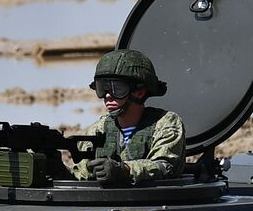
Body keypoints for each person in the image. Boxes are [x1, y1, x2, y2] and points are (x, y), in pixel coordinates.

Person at [70, 49, 186, 187]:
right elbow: (80, 170)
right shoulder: (99, 128)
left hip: (151, 201)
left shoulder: (165, 123)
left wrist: (124, 170)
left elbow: (165, 166)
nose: (107, 96)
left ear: (139, 92)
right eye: (102, 88)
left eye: (117, 88)